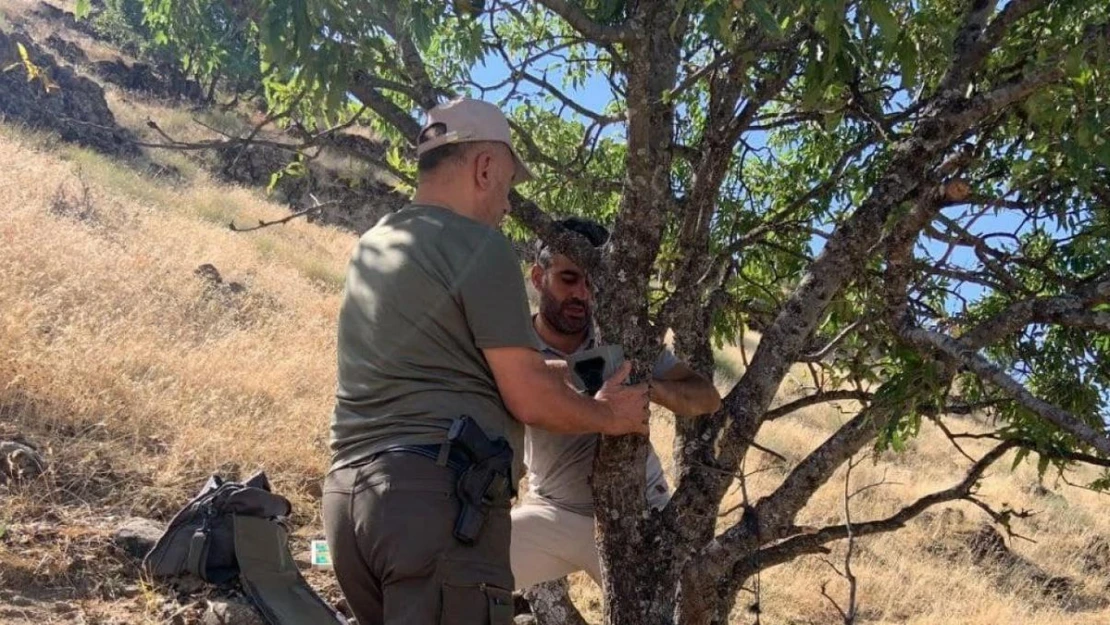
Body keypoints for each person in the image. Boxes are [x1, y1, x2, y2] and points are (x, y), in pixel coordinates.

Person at [320, 98, 651, 625]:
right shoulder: (480, 245)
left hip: (349, 502)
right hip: (435, 503)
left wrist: (564, 371)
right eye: (506, 185)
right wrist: (613, 415)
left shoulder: (375, 245)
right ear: (485, 167)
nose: (504, 203)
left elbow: (454, 372)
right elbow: (526, 397)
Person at [510, 217, 722, 590]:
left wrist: (646, 387)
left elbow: (707, 398)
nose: (581, 295)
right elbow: (514, 386)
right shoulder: (512, 346)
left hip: (641, 511)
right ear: (539, 278)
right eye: (569, 279)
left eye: (592, 283)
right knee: (458, 573)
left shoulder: (624, 335)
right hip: (553, 510)